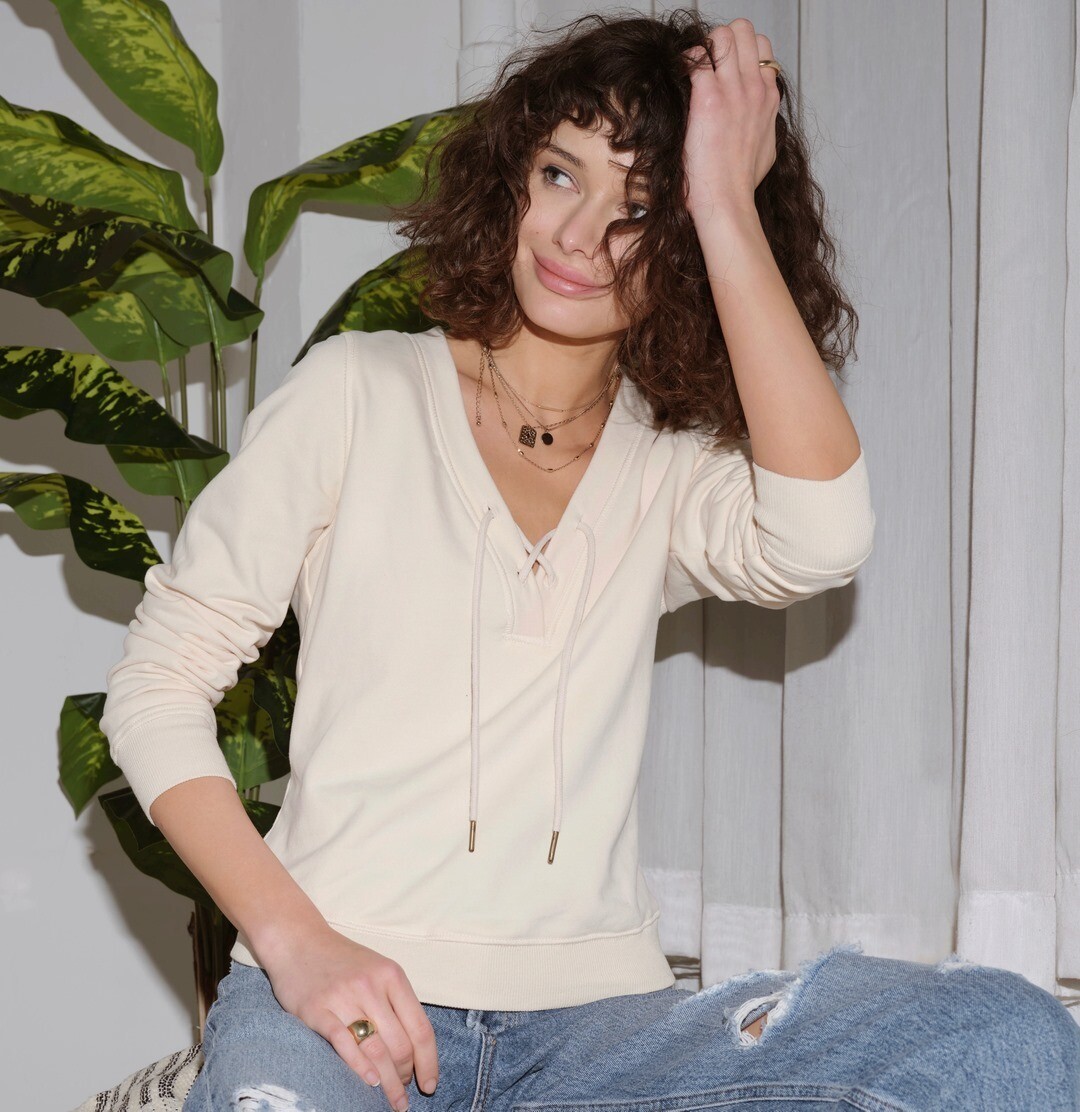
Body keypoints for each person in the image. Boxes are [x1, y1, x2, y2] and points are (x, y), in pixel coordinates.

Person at [99, 10, 1080, 1112]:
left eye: (640, 209)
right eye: (561, 174)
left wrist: (724, 201)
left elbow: (822, 536)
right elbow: (157, 686)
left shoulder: (668, 467)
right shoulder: (357, 393)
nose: (577, 236)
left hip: (599, 1031)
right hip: (344, 999)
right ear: (511, 175)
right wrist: (299, 944)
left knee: (1006, 1035)